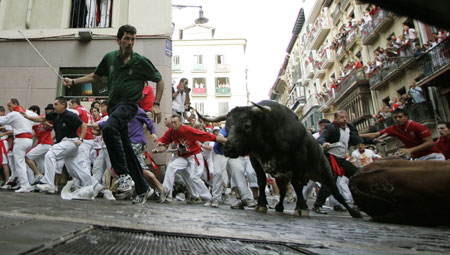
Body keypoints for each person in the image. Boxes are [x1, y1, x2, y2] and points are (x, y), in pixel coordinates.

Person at [62, 24, 164, 204]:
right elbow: (95, 76)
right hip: (114, 106)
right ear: (118, 40)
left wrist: (156, 104)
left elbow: (160, 80)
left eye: (133, 39)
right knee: (125, 147)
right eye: (126, 38)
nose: (130, 42)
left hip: (129, 104)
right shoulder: (110, 58)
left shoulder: (140, 61)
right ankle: (143, 189)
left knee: (108, 129)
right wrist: (73, 80)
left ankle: (123, 175)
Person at [22, 97, 102, 196]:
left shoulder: (70, 115)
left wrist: (80, 139)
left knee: (50, 154)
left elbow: (83, 125)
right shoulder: (54, 114)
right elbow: (41, 118)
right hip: (66, 144)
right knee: (74, 169)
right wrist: (28, 117)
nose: (54, 106)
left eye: (56, 104)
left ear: (63, 105)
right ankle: (95, 185)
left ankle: (48, 183)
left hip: (71, 142)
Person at [153, 115, 227, 204]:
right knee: (171, 166)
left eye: (175, 122)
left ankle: (208, 197)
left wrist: (225, 140)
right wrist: (158, 147)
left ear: (180, 122)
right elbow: (163, 143)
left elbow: (206, 135)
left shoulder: (188, 130)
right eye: (172, 122)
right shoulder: (170, 132)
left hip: (195, 155)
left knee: (194, 176)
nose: (173, 124)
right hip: (183, 156)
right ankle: (167, 193)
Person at [312, 110, 364, 214]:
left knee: (357, 176)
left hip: (341, 158)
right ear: (335, 119)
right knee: (330, 182)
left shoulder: (349, 129)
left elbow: (357, 139)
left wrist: (374, 140)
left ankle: (360, 202)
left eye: (345, 117)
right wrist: (324, 143)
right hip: (330, 159)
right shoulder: (331, 127)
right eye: (341, 117)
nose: (344, 119)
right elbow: (321, 138)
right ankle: (318, 205)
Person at [360, 108, 445, 160]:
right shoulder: (393, 129)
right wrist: (357, 135)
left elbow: (430, 142)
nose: (397, 119)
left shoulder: (417, 126)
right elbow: (376, 134)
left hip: (432, 156)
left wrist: (410, 150)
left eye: (400, 117)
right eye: (395, 117)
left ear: (406, 117)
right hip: (417, 158)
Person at [0, 99, 38, 193]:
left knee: (19, 163)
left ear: (15, 104)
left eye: (9, 105)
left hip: (21, 139)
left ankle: (25, 185)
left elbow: (2, 120)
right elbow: (37, 120)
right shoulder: (28, 112)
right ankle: (28, 183)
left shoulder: (14, 114)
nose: (9, 108)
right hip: (29, 139)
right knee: (24, 162)